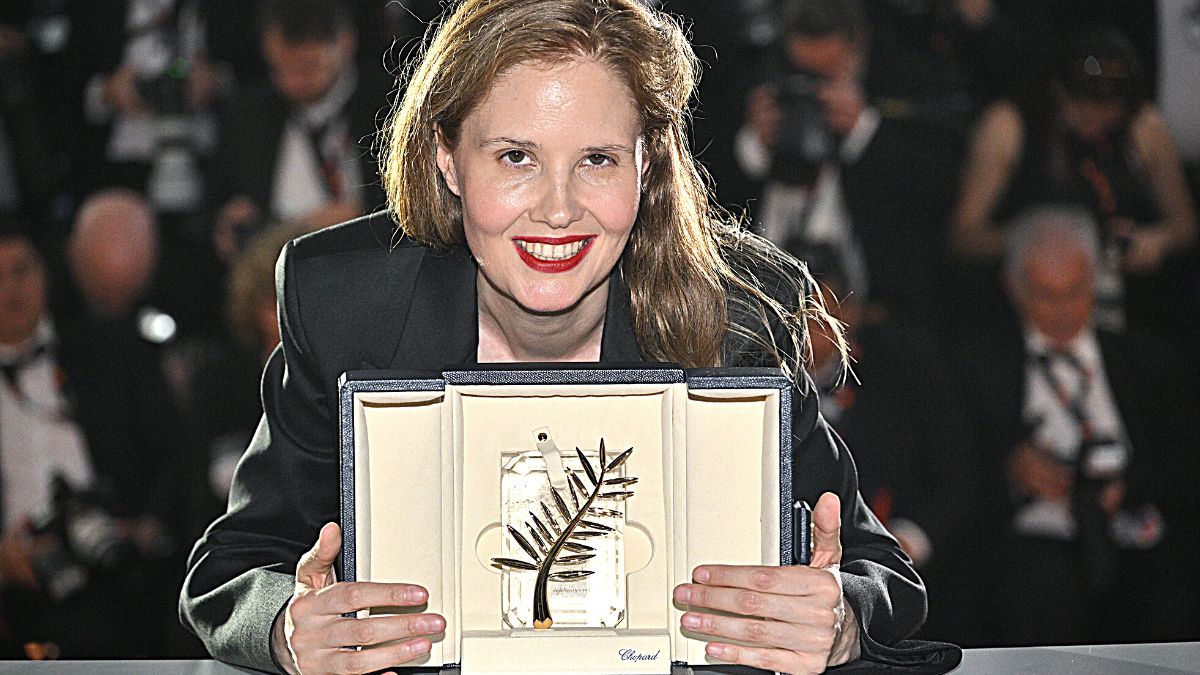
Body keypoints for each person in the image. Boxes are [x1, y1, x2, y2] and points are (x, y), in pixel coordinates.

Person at [181, 2, 957, 673]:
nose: (558, 209)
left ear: (647, 166)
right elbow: (231, 570)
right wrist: (290, 626)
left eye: (597, 159)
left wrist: (840, 619)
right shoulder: (345, 304)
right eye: (515, 156)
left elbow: (879, 573)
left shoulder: (740, 315)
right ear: (447, 159)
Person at [954, 204, 1199, 645]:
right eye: (1047, 295)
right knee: (1037, 596)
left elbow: (1181, 460)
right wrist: (1011, 469)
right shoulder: (979, 368)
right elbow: (957, 473)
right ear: (1015, 287)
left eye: (1078, 290)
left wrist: (1130, 486)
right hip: (1038, 544)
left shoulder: (1149, 361)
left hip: (1136, 531)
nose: (1065, 310)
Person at [949, 26, 1198, 339]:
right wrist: (1037, 241)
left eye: (1107, 107)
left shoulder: (1145, 128)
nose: (1094, 116)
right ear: (1058, 90)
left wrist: (1155, 240)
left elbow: (1185, 226)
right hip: (1031, 303)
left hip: (1122, 303)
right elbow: (962, 237)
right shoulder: (1008, 126)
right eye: (1082, 105)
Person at [208, 0, 388, 263]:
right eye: (279, 68)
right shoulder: (250, 114)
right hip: (271, 271)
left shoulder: (390, 105)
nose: (292, 83)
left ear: (346, 42)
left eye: (307, 68)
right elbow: (217, 201)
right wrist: (226, 217)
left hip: (371, 262)